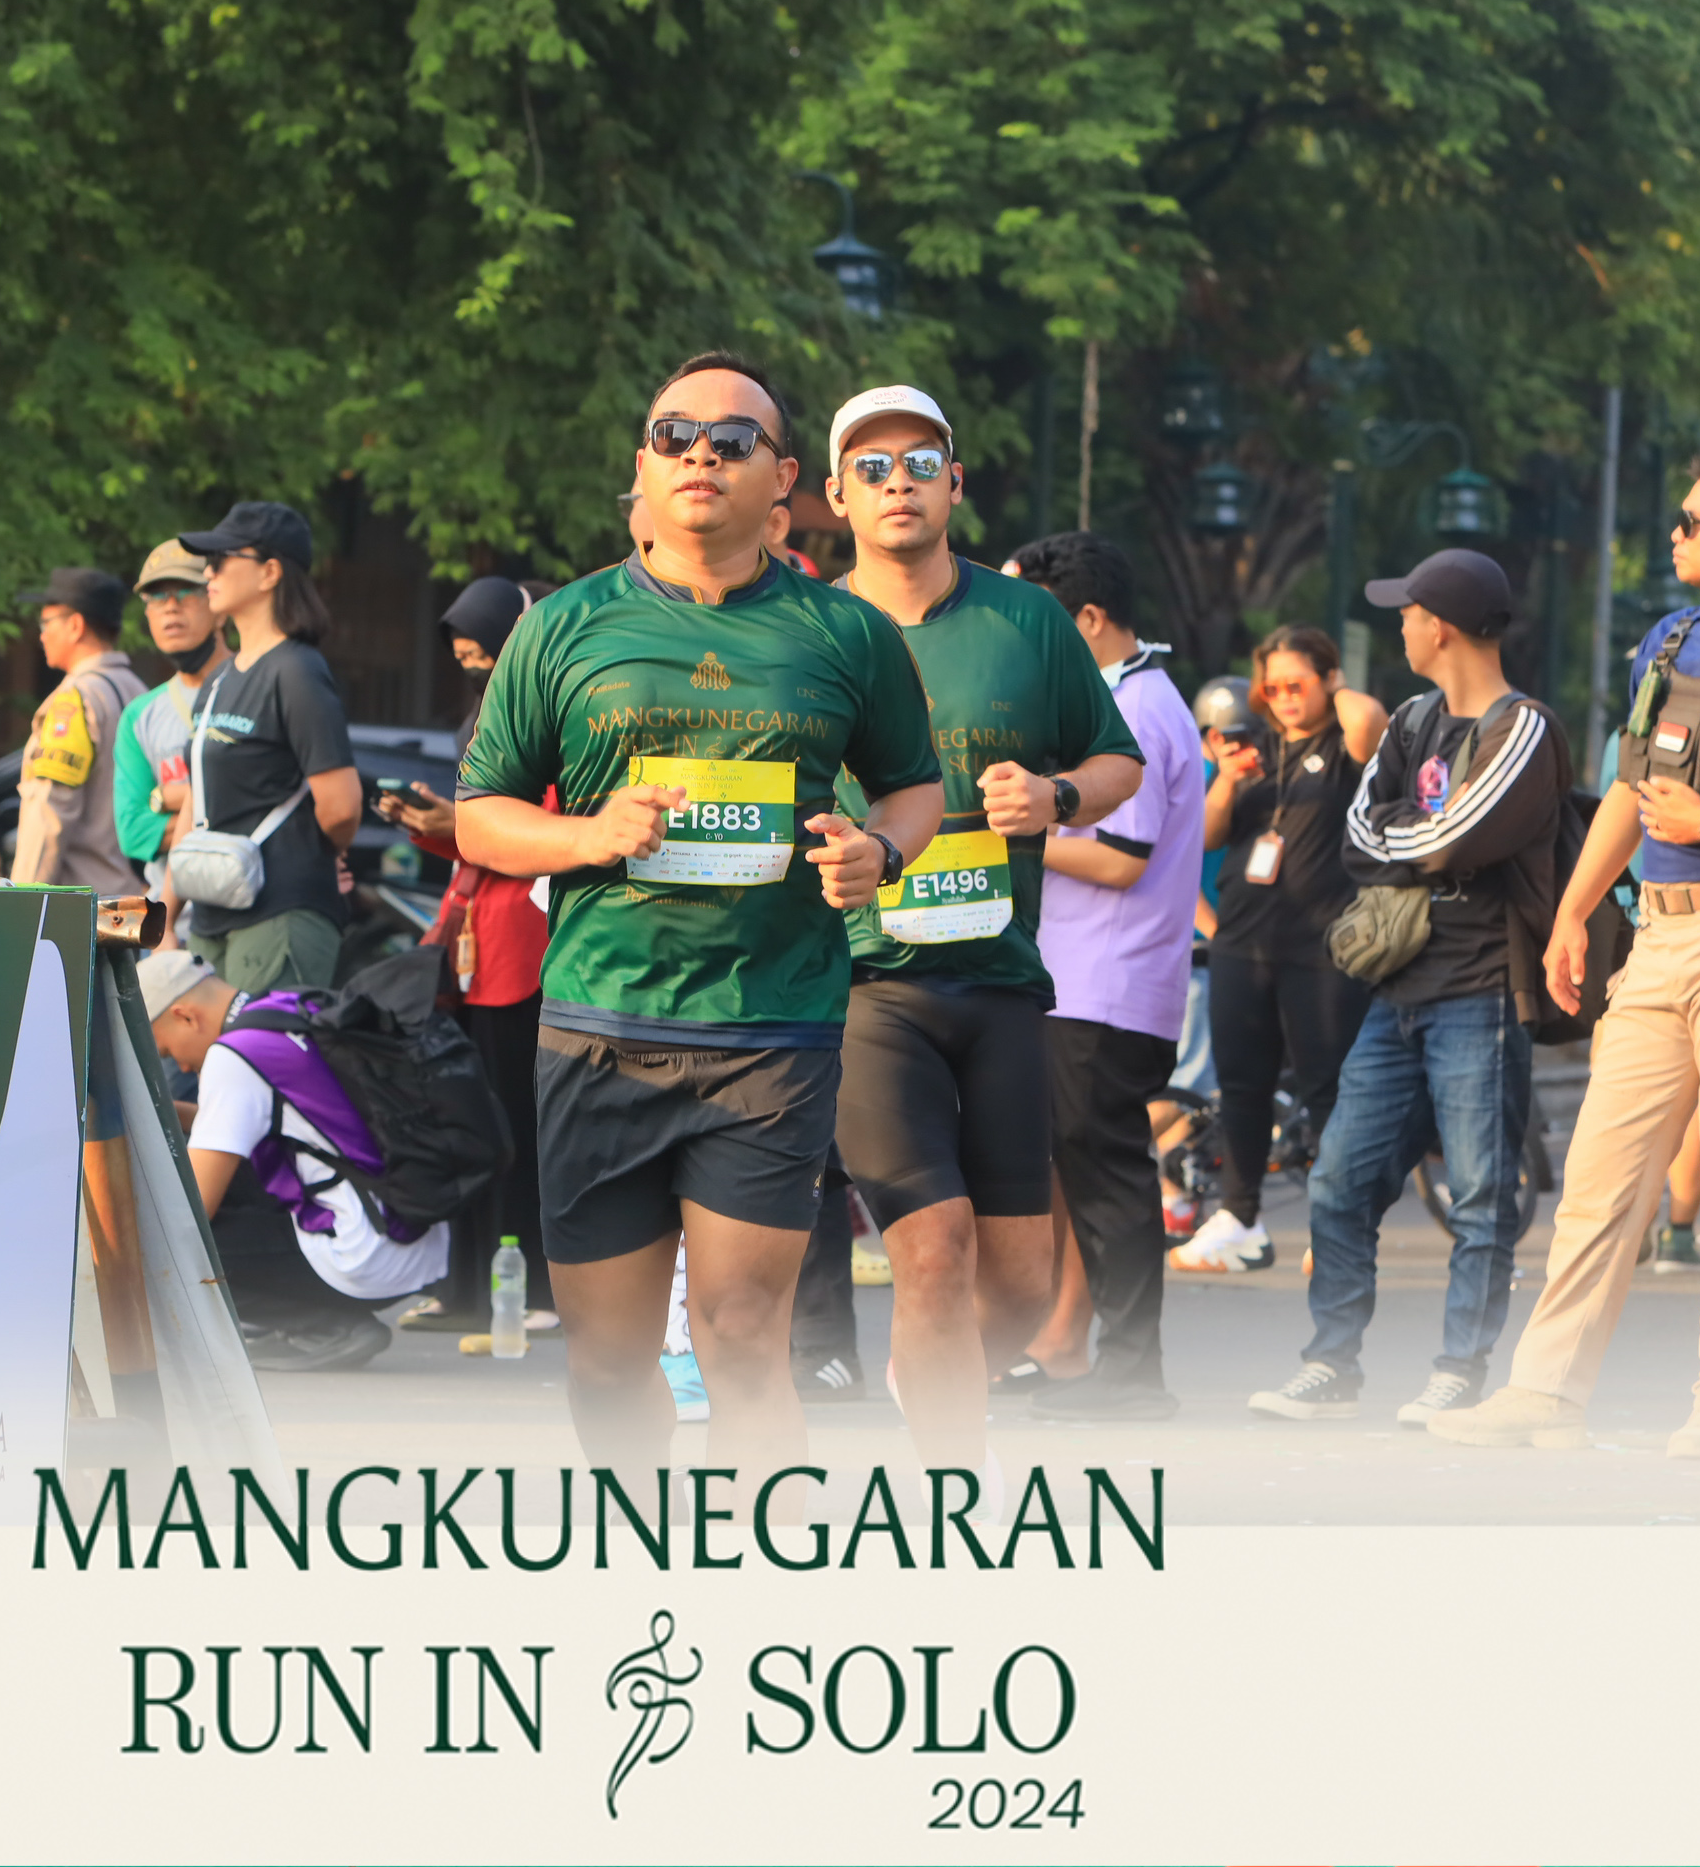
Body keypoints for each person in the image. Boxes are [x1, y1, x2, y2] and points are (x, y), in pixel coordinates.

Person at [455, 353, 943, 1473]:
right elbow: (480, 816)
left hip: (771, 1030)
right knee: (607, 1359)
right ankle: (637, 1536)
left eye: (733, 440)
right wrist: (589, 836)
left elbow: (914, 787)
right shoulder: (564, 625)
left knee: (741, 1333)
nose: (701, 455)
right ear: (643, 461)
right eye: (675, 435)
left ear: (784, 480)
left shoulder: (846, 632)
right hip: (601, 1027)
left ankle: (761, 1552)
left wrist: (880, 851)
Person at [1430, 449, 1700, 1457]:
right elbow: (1633, 793)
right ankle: (1546, 1389)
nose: (1673, 535)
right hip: (1660, 934)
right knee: (1603, 1170)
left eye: (1692, 521)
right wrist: (1573, 912)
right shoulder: (1667, 643)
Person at [804, 388, 1145, 1467]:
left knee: (1022, 1286)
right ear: (836, 497)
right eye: (871, 467)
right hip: (863, 983)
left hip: (1000, 980)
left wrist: (1056, 796)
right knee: (934, 1249)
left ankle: (930, 1377)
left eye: (920, 461)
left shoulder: (1027, 620)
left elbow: (1118, 761)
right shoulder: (808, 630)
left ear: (955, 483)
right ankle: (952, 1488)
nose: (897, 482)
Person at [1251, 550, 1569, 1425]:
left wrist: (1419, 834)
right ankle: (1331, 1364)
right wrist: (1422, 835)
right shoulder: (1412, 719)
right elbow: (1361, 834)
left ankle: (1460, 1371)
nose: (1400, 625)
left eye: (1408, 612)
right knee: (1337, 1181)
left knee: (1480, 1196)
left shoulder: (1523, 728)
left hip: (1483, 989)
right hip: (1396, 990)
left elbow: (1451, 837)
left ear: (1443, 626)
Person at [1006, 530, 1202, 1420]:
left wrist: (1018, 831)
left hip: (1106, 983)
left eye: (1033, 619)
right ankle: (1074, 1353)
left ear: (1087, 619)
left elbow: (1122, 857)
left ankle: (1131, 1374)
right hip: (1082, 980)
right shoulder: (1117, 695)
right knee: (1083, 1173)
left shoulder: (1141, 709)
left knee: (1109, 1180)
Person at [139, 947, 446, 1372]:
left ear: (185, 1016)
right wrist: (178, 1115)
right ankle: (307, 1311)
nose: (182, 1068)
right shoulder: (285, 1009)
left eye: (168, 1051)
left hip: (360, 1257)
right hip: (411, 1233)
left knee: (165, 1240)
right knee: (222, 1179)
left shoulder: (233, 1056)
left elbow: (192, 1210)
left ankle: (324, 1324)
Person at [389, 575, 561, 1333]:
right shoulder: (482, 715)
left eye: (482, 655)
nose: (473, 669)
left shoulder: (552, 706)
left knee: (518, 1128)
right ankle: (463, 1287)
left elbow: (541, 830)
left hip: (523, 951)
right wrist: (433, 824)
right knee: (468, 1123)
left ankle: (534, 1291)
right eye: (461, 659)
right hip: (470, 947)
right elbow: (480, 835)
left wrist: (456, 824)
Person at [1190, 624, 1386, 1273]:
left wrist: (1332, 687)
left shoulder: (1344, 745)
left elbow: (1369, 718)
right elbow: (1208, 833)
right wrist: (1226, 778)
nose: (1281, 698)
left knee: (1328, 1089)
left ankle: (1336, 1226)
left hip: (1320, 948)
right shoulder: (1256, 747)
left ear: (1328, 679)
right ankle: (1239, 1219)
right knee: (1241, 1087)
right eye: (1270, 688)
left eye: (1295, 684)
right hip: (1242, 941)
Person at [170, 502, 360, 992]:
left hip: (281, 913)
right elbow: (195, 803)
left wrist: (314, 855)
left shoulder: (298, 670)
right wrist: (164, 917)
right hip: (211, 914)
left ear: (270, 572)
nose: (207, 573)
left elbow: (341, 808)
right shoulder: (218, 679)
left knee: (257, 1045)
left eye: (220, 560)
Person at [9, 566, 149, 898]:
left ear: (75, 626)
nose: (41, 635)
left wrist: (20, 903)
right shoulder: (140, 693)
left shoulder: (74, 701)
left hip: (82, 909)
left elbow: (49, 814)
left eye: (46, 623)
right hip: (135, 901)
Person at [113, 539, 227, 883]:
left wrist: (167, 798)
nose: (171, 607)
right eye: (157, 596)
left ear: (220, 605)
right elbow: (132, 832)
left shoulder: (261, 687)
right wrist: (220, 816)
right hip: (167, 912)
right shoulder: (140, 715)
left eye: (187, 591)